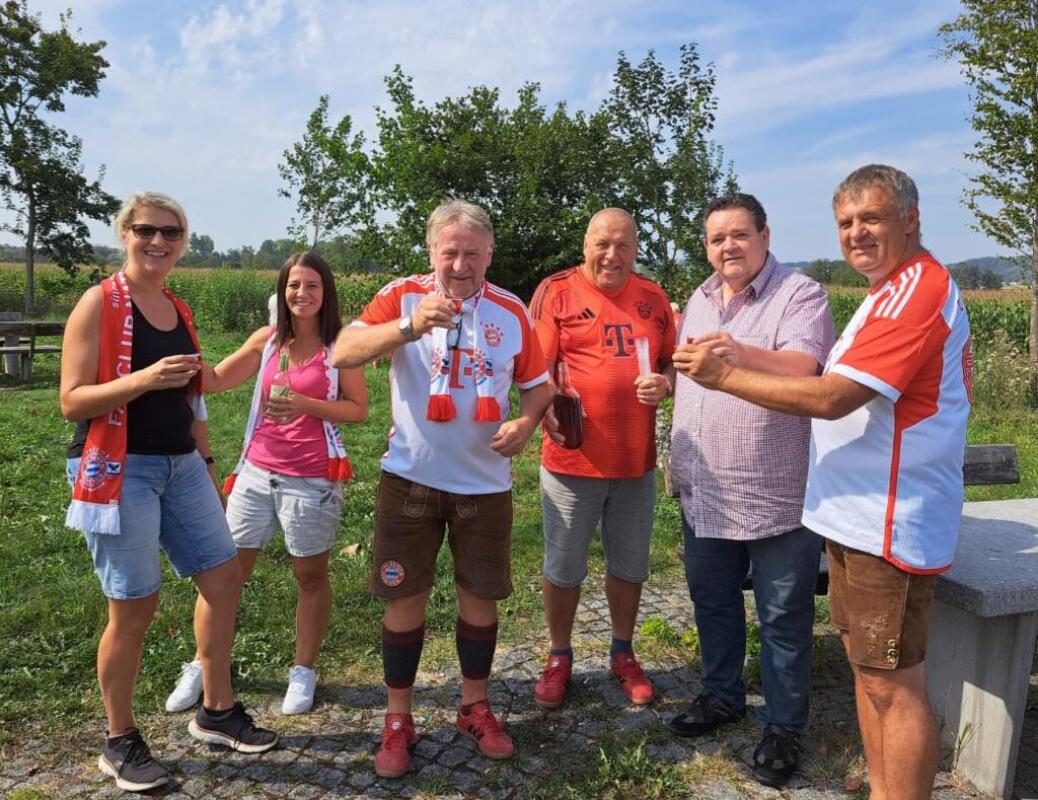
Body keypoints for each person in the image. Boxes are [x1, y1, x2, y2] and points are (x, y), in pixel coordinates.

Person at [674, 165, 971, 800]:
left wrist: (726, 374)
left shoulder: (911, 292)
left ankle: (827, 750)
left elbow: (832, 393)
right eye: (846, 222)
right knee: (874, 680)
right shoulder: (886, 291)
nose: (857, 233)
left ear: (911, 219)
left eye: (872, 218)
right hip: (845, 513)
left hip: (885, 517)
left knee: (893, 683)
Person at [60, 192, 278, 794]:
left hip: (181, 465)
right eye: (147, 230)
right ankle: (119, 740)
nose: (159, 242)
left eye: (172, 233)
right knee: (134, 606)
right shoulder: (98, 304)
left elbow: (199, 387)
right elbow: (71, 400)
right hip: (119, 467)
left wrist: (257, 349)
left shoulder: (177, 306)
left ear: (183, 241)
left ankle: (216, 710)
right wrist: (142, 380)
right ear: (125, 233)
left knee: (224, 576)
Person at [333, 200, 550, 779]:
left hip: (484, 486)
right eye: (449, 251)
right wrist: (407, 327)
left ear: (489, 254)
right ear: (432, 252)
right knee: (404, 602)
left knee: (480, 600)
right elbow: (341, 351)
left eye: (472, 253)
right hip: (410, 480)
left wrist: (527, 424)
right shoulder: (402, 295)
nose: (460, 263)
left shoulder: (511, 311)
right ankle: (398, 719)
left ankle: (474, 706)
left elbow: (537, 387)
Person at [665, 193, 835, 788]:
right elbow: (690, 373)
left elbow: (804, 369)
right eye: (716, 239)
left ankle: (785, 726)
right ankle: (722, 695)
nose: (727, 247)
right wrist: (664, 385)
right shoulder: (700, 298)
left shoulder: (800, 294)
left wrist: (738, 353)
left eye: (739, 234)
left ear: (765, 235)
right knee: (711, 601)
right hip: (706, 484)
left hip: (777, 487)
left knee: (783, 614)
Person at [164, 251, 367, 716]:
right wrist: (181, 350)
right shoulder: (268, 339)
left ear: (326, 292)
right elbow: (214, 381)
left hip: (312, 478)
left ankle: (303, 670)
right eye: (294, 285)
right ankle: (203, 663)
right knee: (223, 577)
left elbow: (359, 409)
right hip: (255, 473)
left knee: (309, 577)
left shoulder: (341, 347)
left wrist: (305, 404)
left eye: (312, 285)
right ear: (283, 291)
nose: (302, 293)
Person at [527, 208, 675, 709]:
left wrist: (668, 383)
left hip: (636, 460)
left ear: (636, 249)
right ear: (585, 244)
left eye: (623, 245)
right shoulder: (557, 291)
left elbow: (672, 361)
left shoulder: (654, 299)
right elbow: (535, 369)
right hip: (573, 460)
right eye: (602, 244)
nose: (612, 255)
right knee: (564, 565)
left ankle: (623, 652)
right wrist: (548, 407)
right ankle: (559, 655)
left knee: (630, 564)